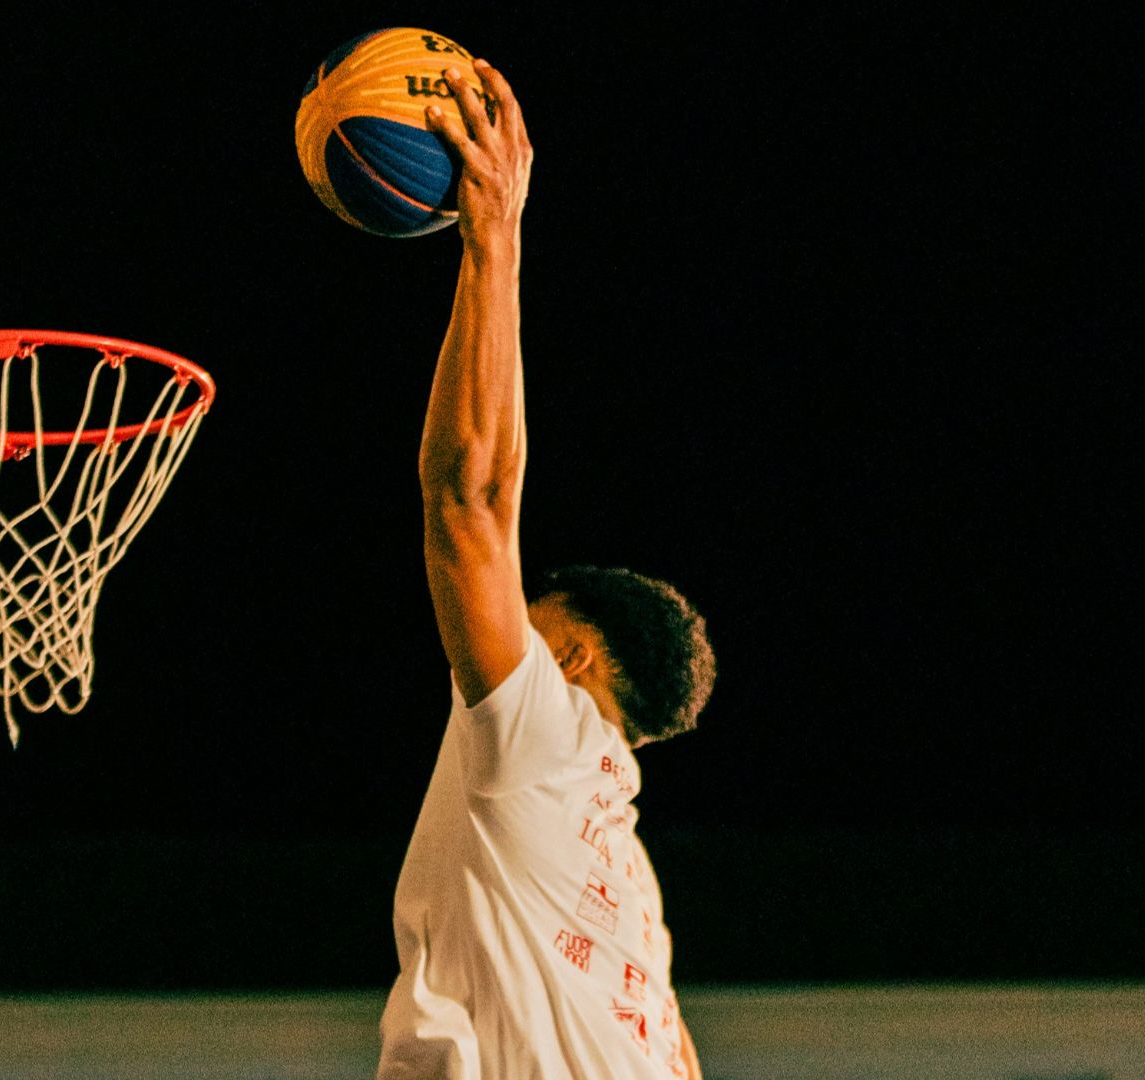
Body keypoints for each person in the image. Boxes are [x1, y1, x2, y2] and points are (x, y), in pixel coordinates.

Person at [376, 59, 716, 1080]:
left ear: (569, 656)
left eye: (527, 623)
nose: (495, 638)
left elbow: (469, 503)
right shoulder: (627, 877)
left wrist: (494, 237)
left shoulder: (544, 744)